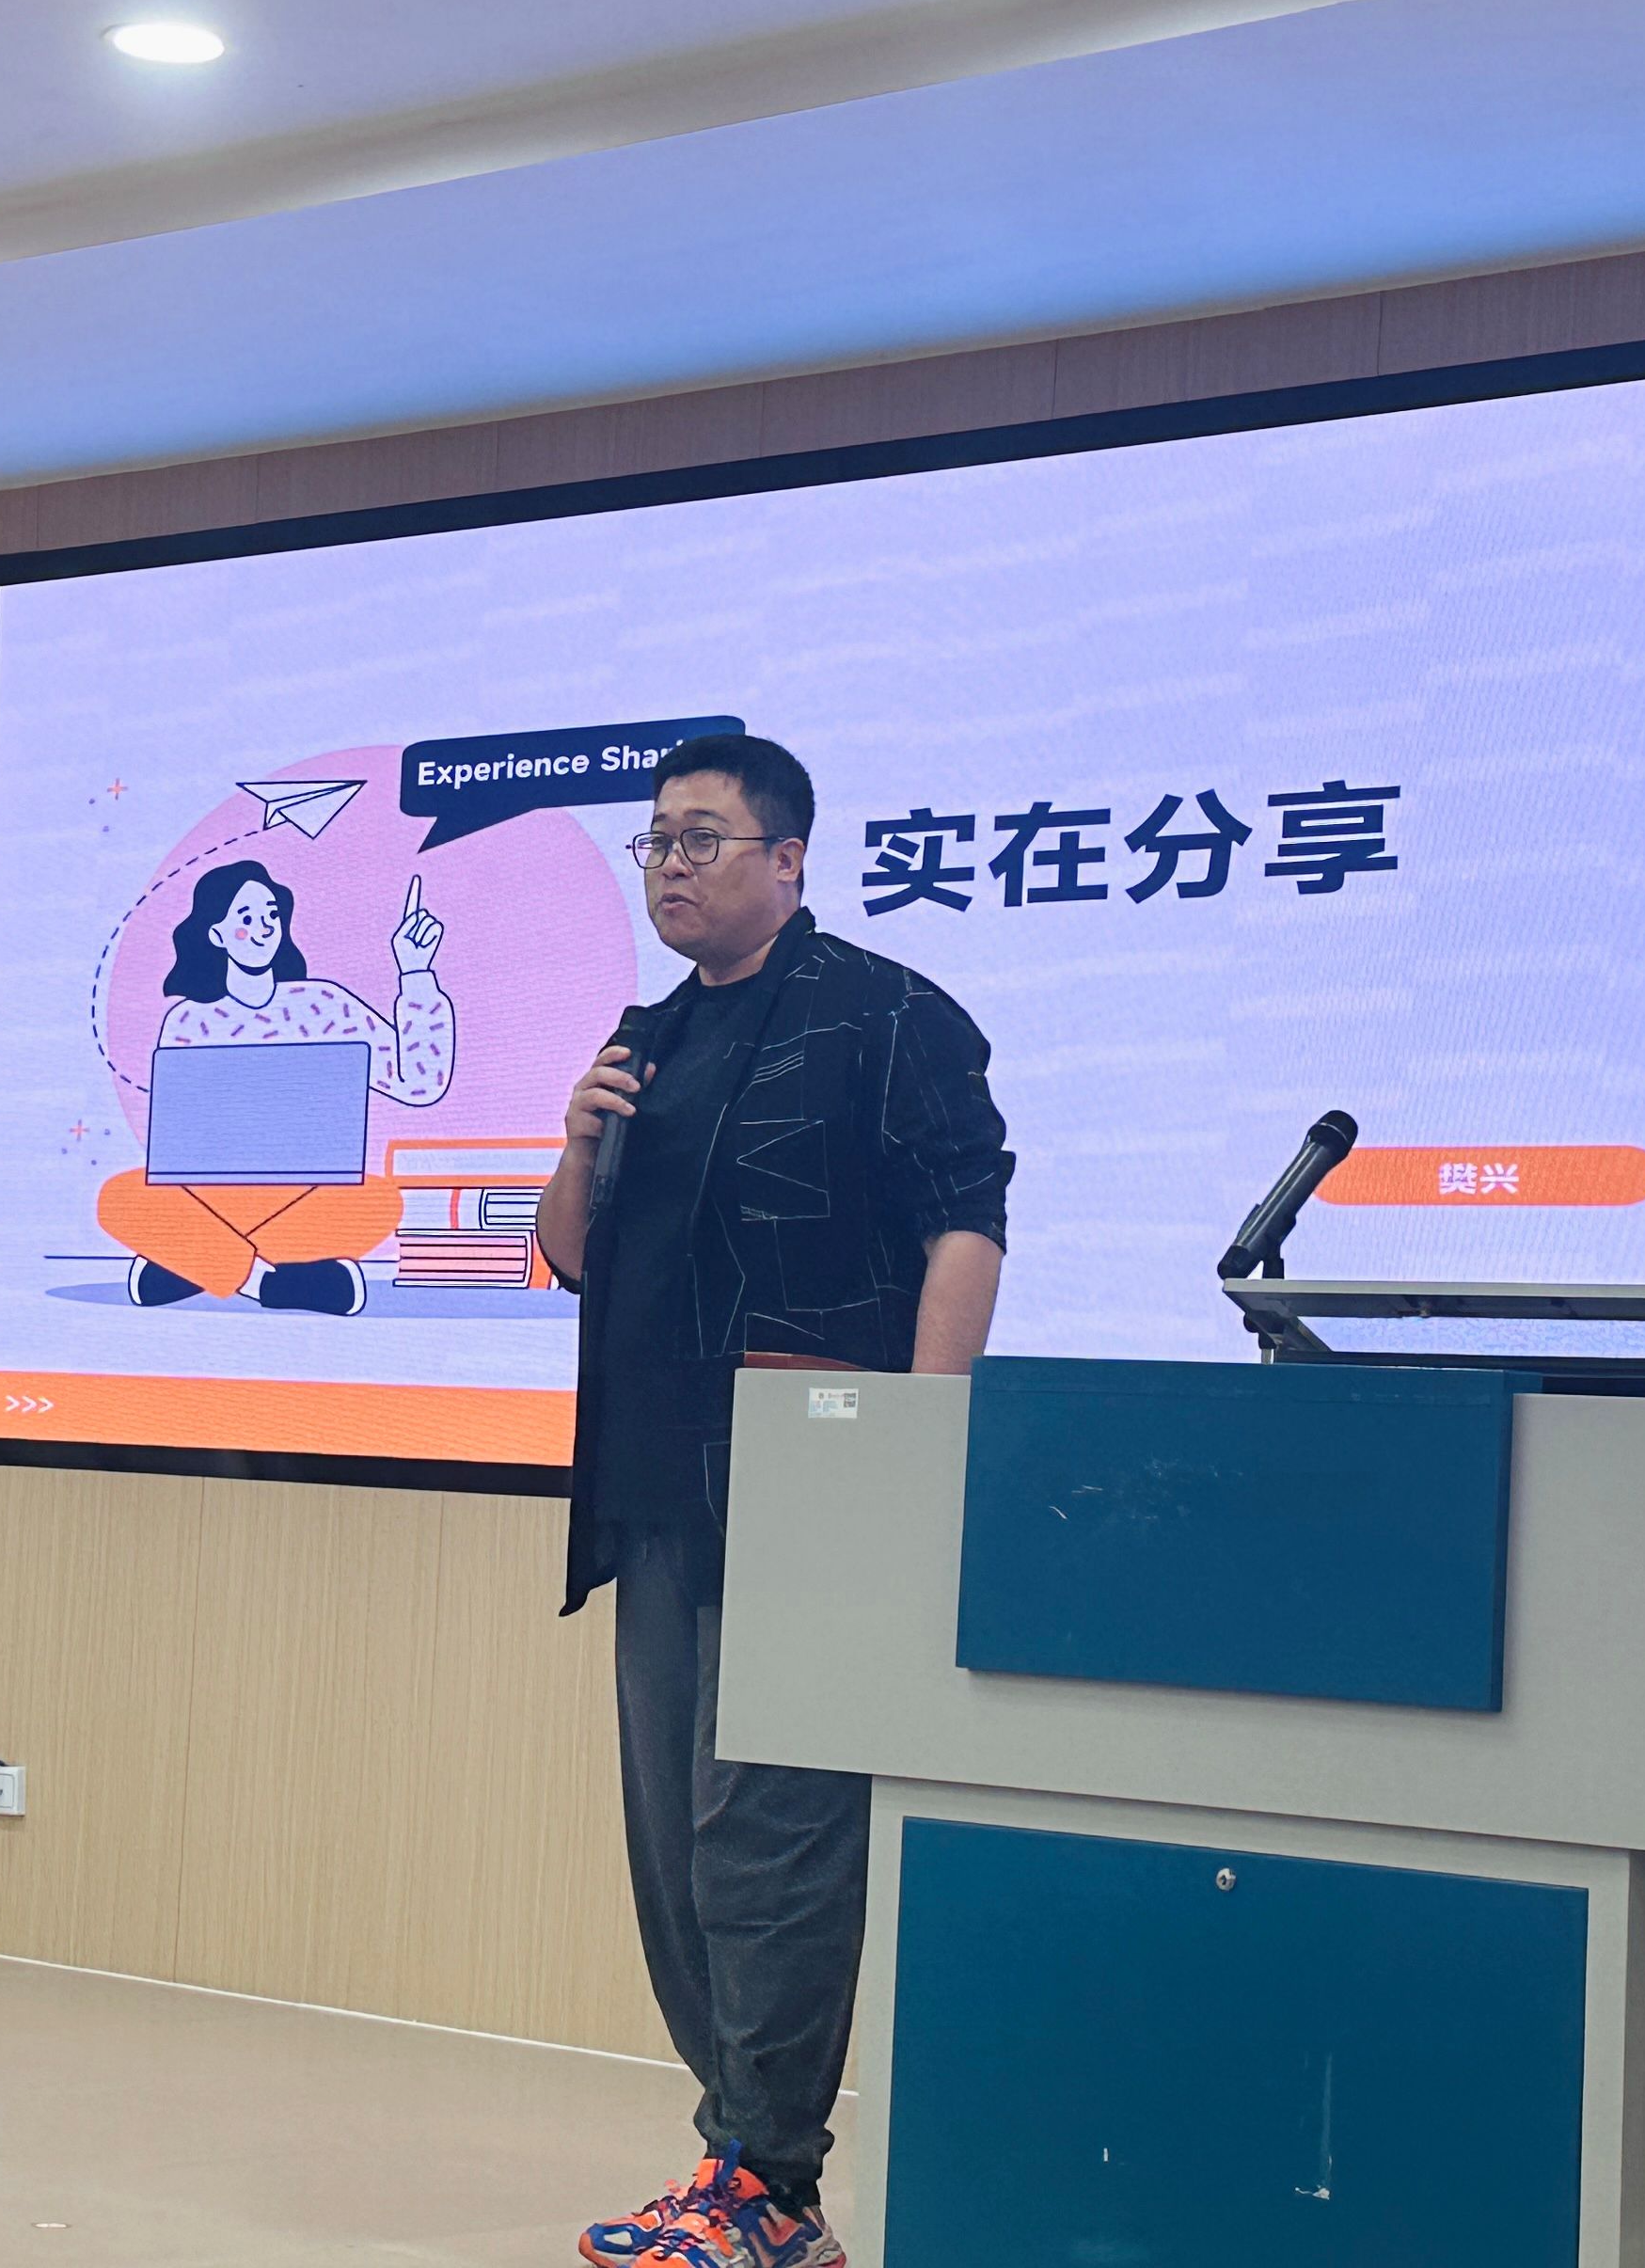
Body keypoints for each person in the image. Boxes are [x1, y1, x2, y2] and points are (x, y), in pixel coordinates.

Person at [533, 734, 1010, 2268]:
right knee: (678, 1854)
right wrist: (576, 1140)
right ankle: (735, 2160)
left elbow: (964, 1221)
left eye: (703, 838)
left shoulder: (886, 1014)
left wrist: (912, 1444)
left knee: (771, 1841)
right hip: (657, 1493)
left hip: (812, 1488)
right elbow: (574, 1255)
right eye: (656, 840)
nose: (670, 864)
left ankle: (769, 2180)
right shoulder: (648, 1038)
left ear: (789, 859)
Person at [93, 858, 450, 1317]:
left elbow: (418, 1082)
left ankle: (195, 1264)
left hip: (306, 1195)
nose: (264, 928)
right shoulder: (188, 1022)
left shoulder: (324, 1004)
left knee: (378, 1201)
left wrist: (415, 973)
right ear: (216, 935)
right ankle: (272, 1284)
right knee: (120, 1197)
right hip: (212, 1195)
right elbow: (175, 1148)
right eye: (246, 917)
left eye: (272, 915)